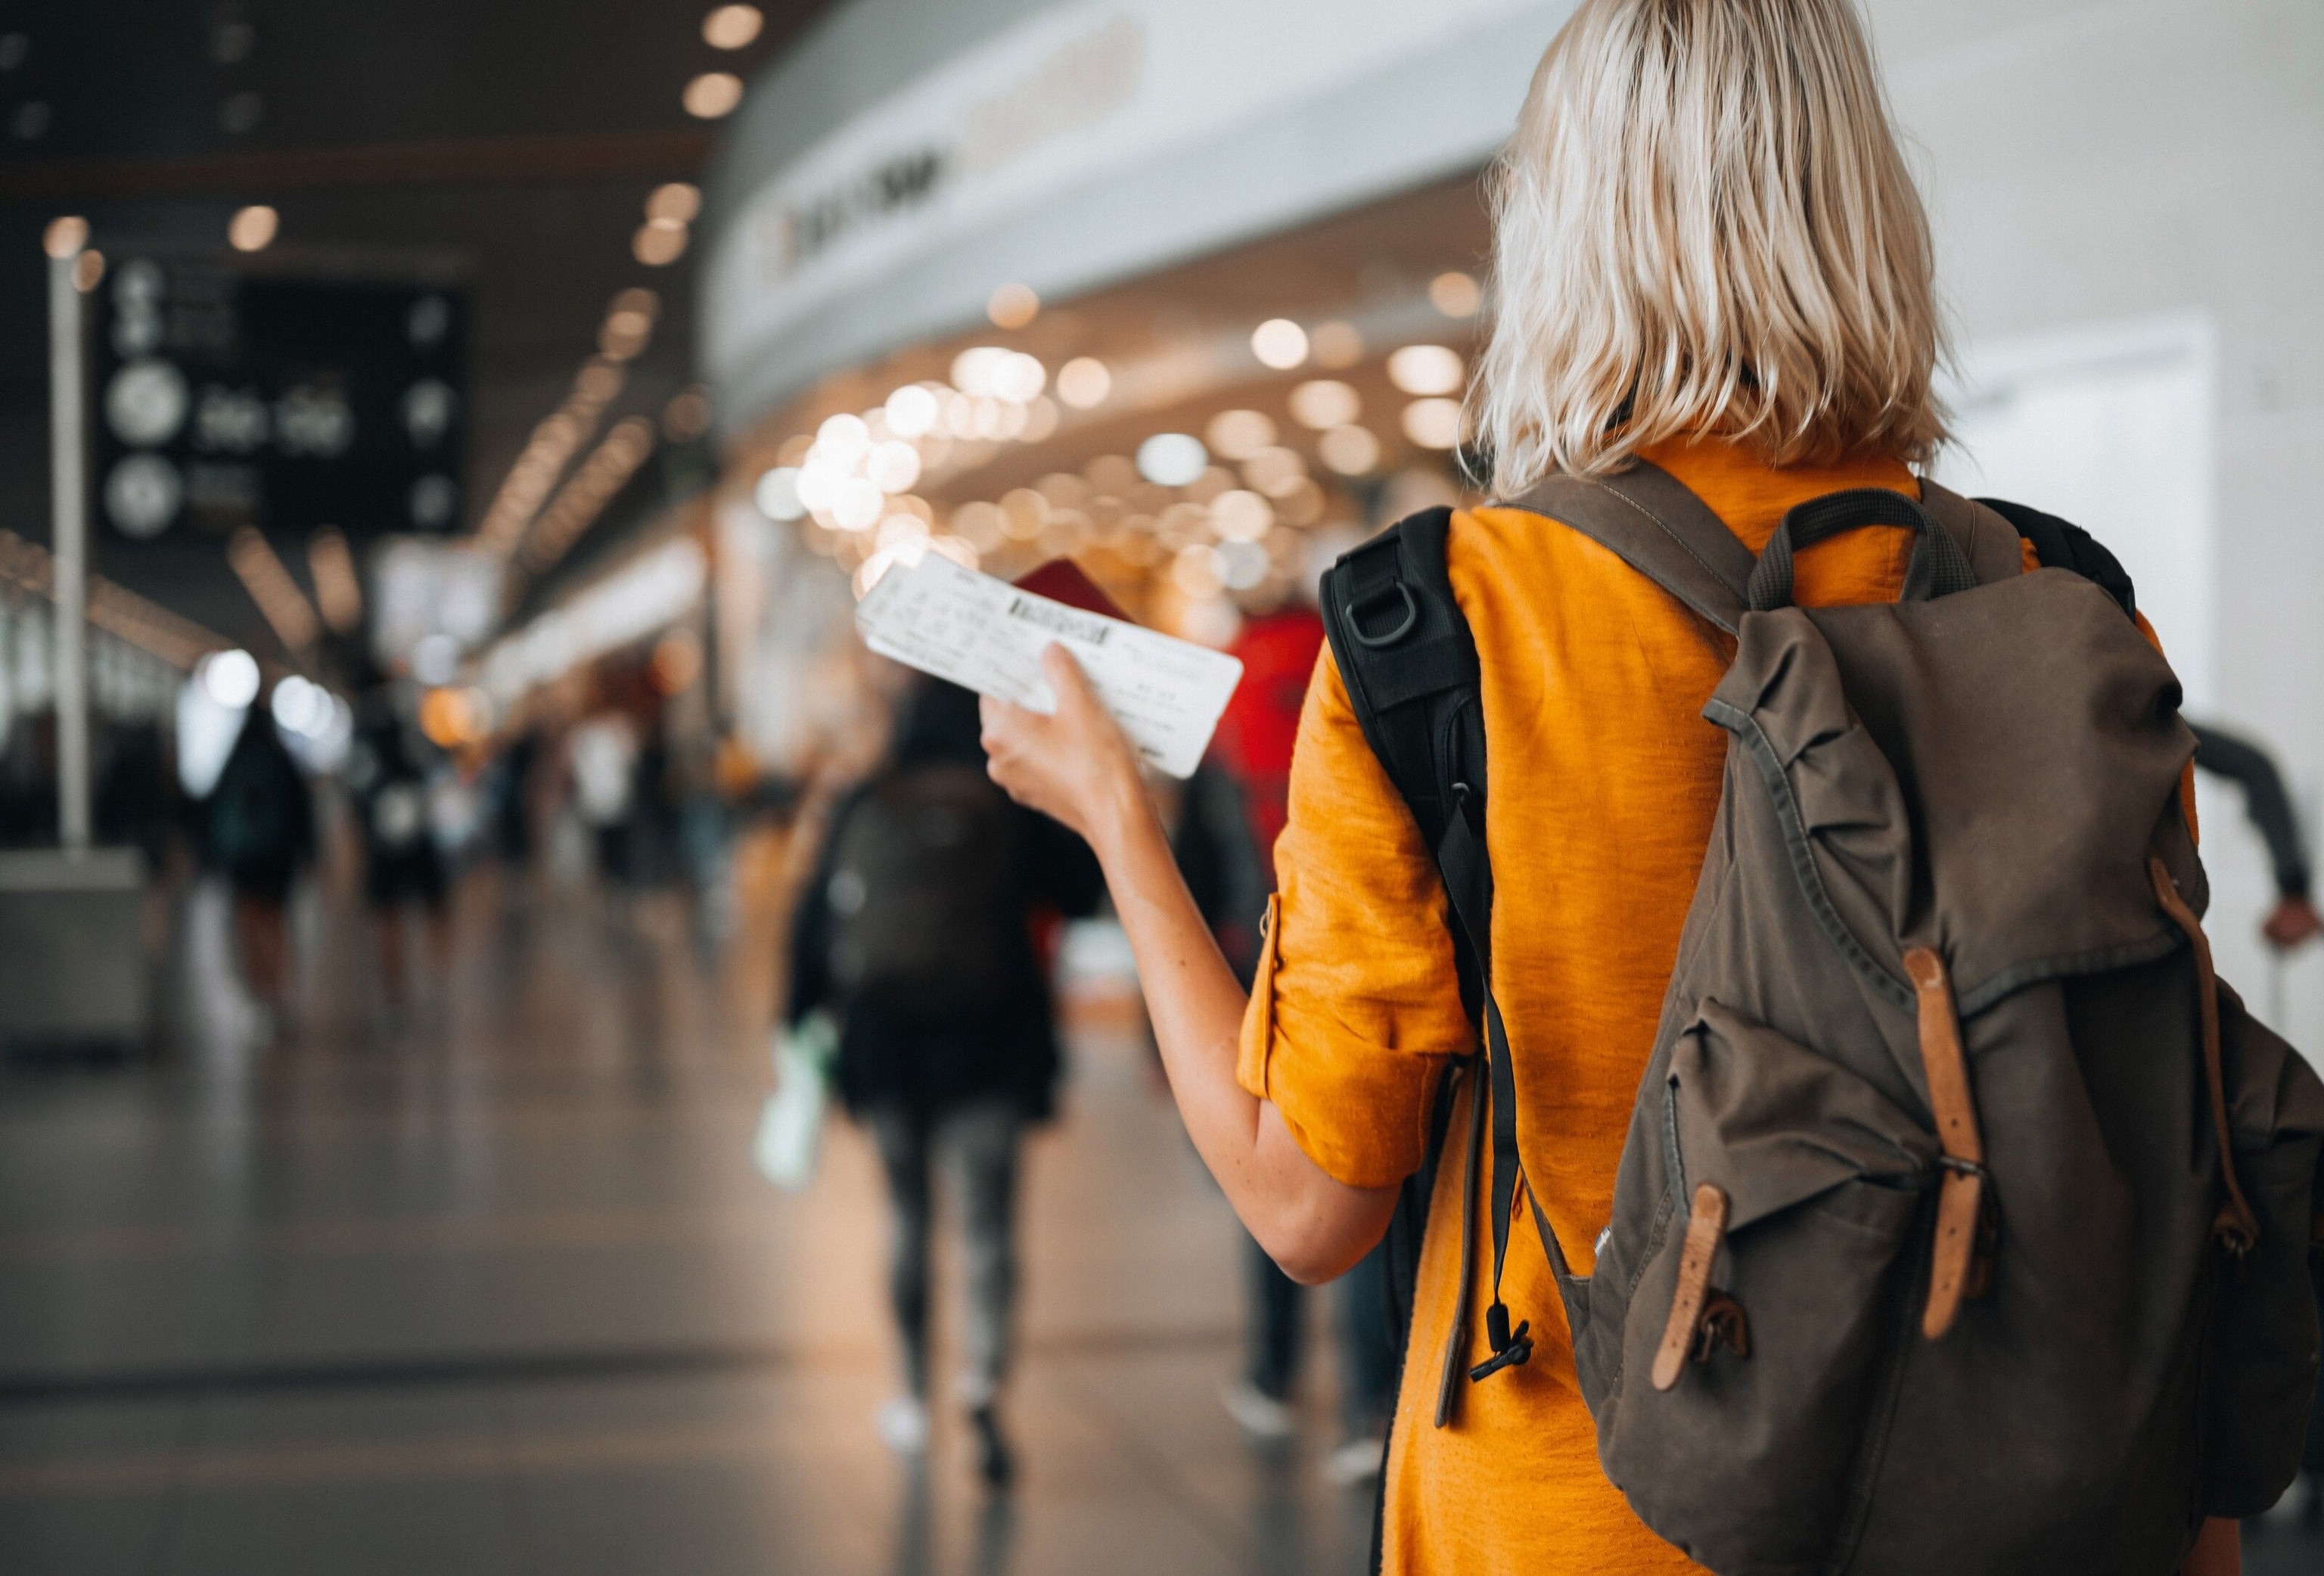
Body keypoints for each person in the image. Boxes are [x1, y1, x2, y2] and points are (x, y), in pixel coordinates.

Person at [975, 2, 2245, 1571]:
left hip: (1580, 1520)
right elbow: (2164, 1140)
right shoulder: (2067, 607)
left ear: (1561, 231)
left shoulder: (1434, 625)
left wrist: (1112, 812)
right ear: (1863, 208)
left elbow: (1307, 1209)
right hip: (2032, 1512)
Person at [786, 679, 1100, 1488]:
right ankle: (983, 1384)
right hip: (990, 1041)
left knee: (907, 1215)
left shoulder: (866, 795)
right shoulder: (1008, 800)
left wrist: (800, 1019)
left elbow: (814, 918)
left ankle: (912, 1396)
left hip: (886, 1044)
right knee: (989, 1228)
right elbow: (1081, 889)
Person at [1177, 599, 1398, 1484]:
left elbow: (1194, 854)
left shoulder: (1222, 696)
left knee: (1264, 1172)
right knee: (1356, 1180)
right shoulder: (1353, 664)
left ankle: (1271, 1374)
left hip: (1242, 969)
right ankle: (1367, 1406)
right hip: (1348, 960)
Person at [207, 695, 315, 1040]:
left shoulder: (235, 759)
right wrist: (309, 854)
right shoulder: (282, 759)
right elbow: (302, 811)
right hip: (279, 859)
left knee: (249, 926)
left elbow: (213, 810)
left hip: (244, 861)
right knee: (276, 925)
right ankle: (279, 992)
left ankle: (257, 994)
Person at [2190, 722, 2324, 952]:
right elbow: (2256, 769)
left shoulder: (2138, 713)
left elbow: (2256, 770)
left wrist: (2293, 890)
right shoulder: (2140, 714)